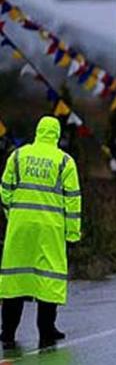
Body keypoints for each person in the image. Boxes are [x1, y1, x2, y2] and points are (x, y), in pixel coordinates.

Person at [0, 116, 82, 349]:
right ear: (56, 135)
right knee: (49, 278)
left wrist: (13, 214)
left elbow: (5, 190)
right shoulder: (65, 162)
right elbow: (73, 201)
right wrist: (72, 234)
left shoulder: (18, 155)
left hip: (20, 227)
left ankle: (7, 333)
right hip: (51, 229)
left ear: (37, 132)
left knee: (15, 279)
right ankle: (46, 330)